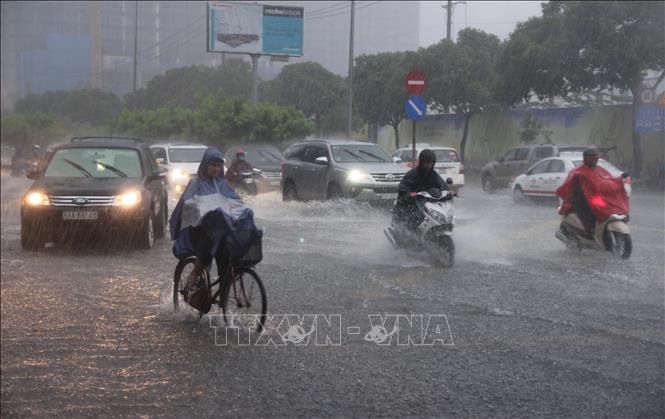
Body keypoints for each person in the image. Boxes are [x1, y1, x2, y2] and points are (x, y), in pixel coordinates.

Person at [169, 147, 259, 292]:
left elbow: (234, 202)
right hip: (201, 230)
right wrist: (206, 211)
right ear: (205, 165)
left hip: (221, 230)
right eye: (213, 165)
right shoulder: (195, 184)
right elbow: (189, 205)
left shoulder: (223, 184)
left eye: (218, 166)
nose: (216, 169)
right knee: (205, 254)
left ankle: (224, 295)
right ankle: (191, 280)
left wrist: (244, 212)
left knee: (227, 258)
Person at [556, 148, 629, 237]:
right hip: (581, 198)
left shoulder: (599, 169)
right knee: (588, 212)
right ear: (585, 159)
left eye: (596, 158)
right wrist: (581, 189)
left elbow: (607, 180)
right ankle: (588, 230)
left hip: (595, 196)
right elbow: (571, 185)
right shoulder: (579, 171)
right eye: (591, 158)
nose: (594, 160)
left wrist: (619, 179)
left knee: (612, 205)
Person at [393, 149, 449, 231]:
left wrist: (448, 191)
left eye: (431, 163)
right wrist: (410, 193)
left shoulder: (433, 174)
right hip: (412, 200)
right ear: (422, 162)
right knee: (416, 214)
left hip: (427, 200)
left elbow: (442, 184)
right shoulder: (413, 174)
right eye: (426, 162)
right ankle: (411, 232)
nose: (428, 165)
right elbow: (402, 187)